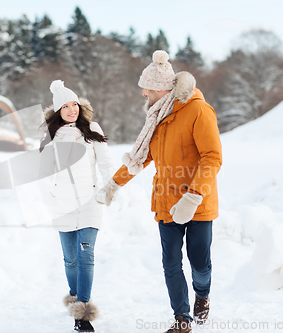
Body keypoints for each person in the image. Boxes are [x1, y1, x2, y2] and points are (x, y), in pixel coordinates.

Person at [97, 50, 222, 333]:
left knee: (200, 264)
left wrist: (192, 195)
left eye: (148, 87)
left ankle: (202, 295)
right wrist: (113, 184)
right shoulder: (158, 117)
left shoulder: (198, 110)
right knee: (171, 263)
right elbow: (142, 158)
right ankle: (182, 319)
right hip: (166, 201)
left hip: (197, 203)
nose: (143, 92)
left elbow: (212, 157)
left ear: (164, 88)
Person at [39, 80, 114, 333]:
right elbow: (43, 173)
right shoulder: (51, 137)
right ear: (58, 111)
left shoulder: (92, 129)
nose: (73, 110)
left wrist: (109, 188)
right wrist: (49, 198)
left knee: (86, 255)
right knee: (71, 260)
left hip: (90, 201)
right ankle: (75, 296)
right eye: (67, 106)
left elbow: (105, 163)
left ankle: (82, 312)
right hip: (63, 204)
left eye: (75, 104)